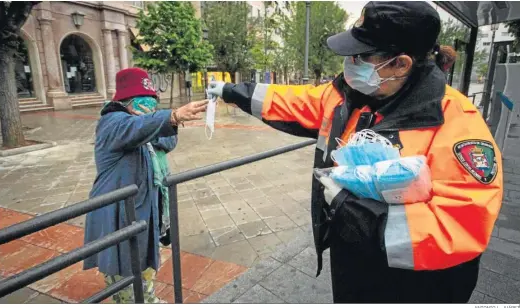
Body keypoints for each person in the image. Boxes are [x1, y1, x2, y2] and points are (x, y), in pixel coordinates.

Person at [207, 1, 503, 303]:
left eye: (361, 56)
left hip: (414, 285)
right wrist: (231, 91)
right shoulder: (349, 95)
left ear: (401, 63)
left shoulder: (455, 120)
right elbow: (293, 100)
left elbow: (459, 225)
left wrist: (351, 211)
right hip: (352, 264)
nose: (350, 62)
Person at [83, 67, 207, 303]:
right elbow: (136, 129)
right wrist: (169, 117)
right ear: (126, 102)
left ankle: (147, 298)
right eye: (144, 101)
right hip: (119, 213)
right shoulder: (113, 123)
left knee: (146, 259)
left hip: (146, 208)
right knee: (125, 266)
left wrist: (163, 122)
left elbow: (167, 140)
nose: (150, 107)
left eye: (153, 102)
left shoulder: (145, 124)